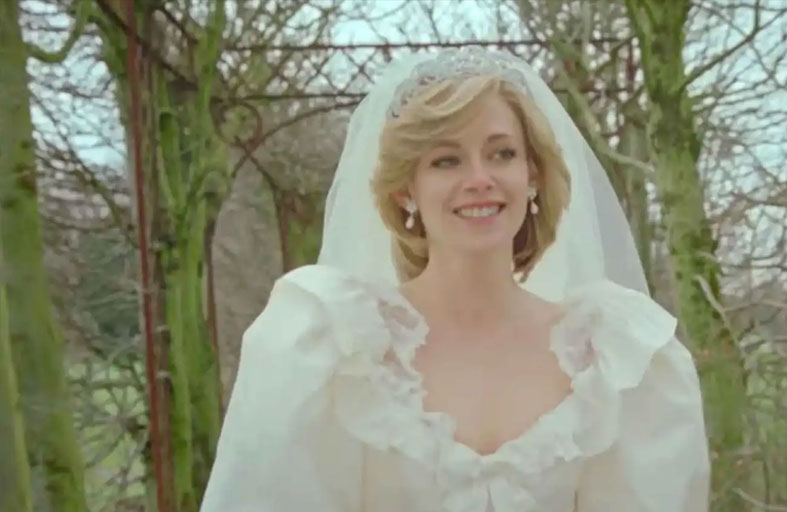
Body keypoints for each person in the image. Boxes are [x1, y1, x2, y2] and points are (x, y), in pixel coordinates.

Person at [200, 48, 710, 512]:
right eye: (446, 160)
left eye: (502, 153)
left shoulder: (615, 359)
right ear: (406, 190)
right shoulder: (328, 345)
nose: (479, 179)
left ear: (532, 174)